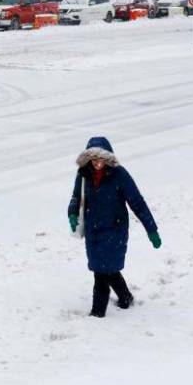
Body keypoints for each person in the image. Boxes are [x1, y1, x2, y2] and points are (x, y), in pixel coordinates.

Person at [67, 136, 161, 317]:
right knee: (106, 269)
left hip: (114, 230)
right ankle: (125, 297)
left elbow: (137, 202)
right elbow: (76, 197)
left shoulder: (119, 175)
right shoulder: (83, 174)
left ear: (107, 158)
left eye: (100, 159)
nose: (97, 163)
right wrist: (72, 213)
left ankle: (97, 314)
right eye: (93, 159)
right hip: (93, 231)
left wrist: (152, 230)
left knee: (101, 273)